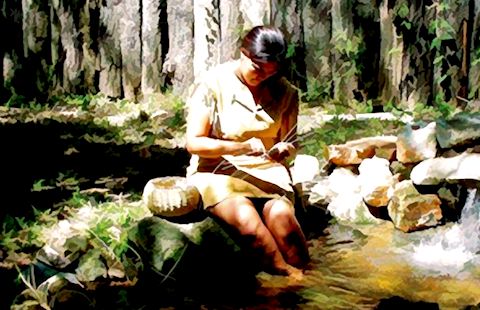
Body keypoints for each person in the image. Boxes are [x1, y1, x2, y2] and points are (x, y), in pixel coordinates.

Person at [185, 25, 309, 279]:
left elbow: (291, 140)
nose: (263, 77)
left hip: (267, 173)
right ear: (243, 54)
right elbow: (194, 143)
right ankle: (288, 278)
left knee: (284, 222)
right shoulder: (213, 84)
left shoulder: (286, 92)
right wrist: (241, 147)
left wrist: (285, 149)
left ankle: (305, 275)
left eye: (270, 73)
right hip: (216, 170)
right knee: (247, 220)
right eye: (258, 69)